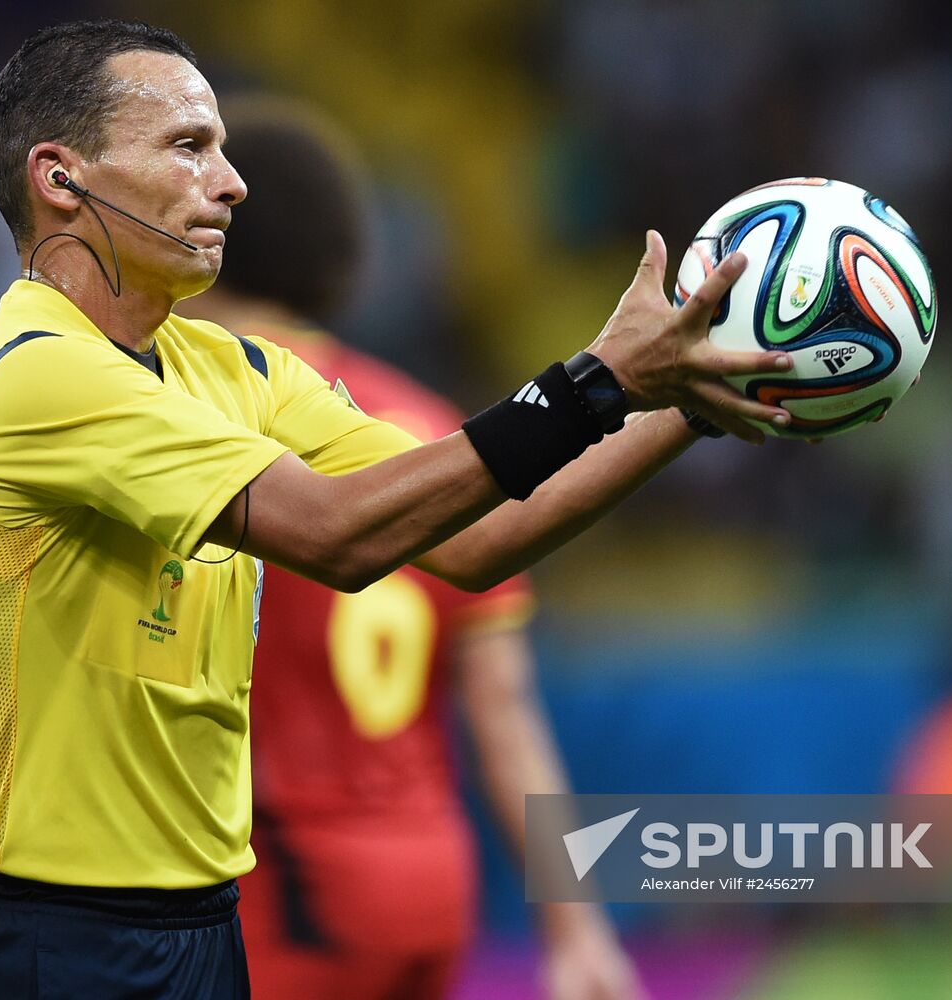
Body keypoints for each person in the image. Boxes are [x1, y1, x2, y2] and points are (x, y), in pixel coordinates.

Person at [0, 17, 794, 999]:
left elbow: (476, 542)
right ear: (60, 177)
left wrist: (684, 401)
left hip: (207, 923)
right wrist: (594, 383)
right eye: (187, 146)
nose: (231, 181)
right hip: (50, 936)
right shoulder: (30, 378)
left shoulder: (237, 370)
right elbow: (334, 534)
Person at [184, 97, 644, 1000]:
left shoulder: (197, 408)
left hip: (281, 878)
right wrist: (575, 923)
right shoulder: (435, 432)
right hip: (426, 875)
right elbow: (503, 709)